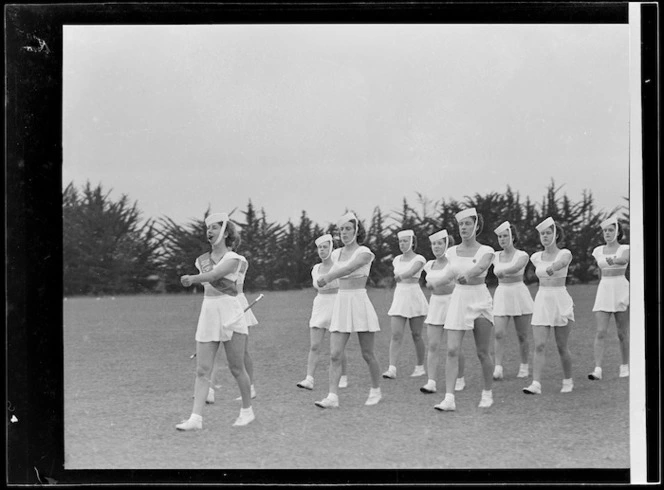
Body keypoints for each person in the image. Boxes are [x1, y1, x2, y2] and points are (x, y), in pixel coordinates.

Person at [176, 212, 254, 429]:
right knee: (202, 369)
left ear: (226, 232)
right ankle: (195, 419)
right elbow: (208, 276)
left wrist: (193, 279)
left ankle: (247, 410)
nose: (209, 232)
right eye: (208, 228)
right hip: (208, 312)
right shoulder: (201, 261)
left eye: (214, 228)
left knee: (237, 368)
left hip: (230, 312)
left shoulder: (235, 260)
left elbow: (214, 276)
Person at [314, 212, 383, 408]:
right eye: (341, 229)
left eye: (348, 229)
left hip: (359, 301)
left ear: (356, 231)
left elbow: (349, 269)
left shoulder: (365, 252)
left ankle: (376, 390)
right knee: (335, 353)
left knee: (367, 353)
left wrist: (327, 277)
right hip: (341, 303)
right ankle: (332, 396)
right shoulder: (335, 254)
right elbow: (324, 267)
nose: (344, 233)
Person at [434, 208, 495, 411]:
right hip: (459, 298)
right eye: (461, 224)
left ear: (476, 226)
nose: (464, 228)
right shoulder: (451, 252)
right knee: (452, 349)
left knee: (482, 352)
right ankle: (449, 398)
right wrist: (434, 282)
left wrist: (468, 274)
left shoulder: (486, 250)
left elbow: (480, 267)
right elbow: (448, 273)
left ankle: (487, 393)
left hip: (479, 298)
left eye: (468, 223)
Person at [523, 217, 574, 395]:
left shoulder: (564, 253)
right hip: (542, 300)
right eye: (542, 234)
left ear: (556, 234)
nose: (545, 236)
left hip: (560, 299)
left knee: (562, 346)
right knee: (539, 345)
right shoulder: (536, 257)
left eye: (548, 233)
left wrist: (554, 266)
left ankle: (568, 380)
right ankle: (536, 383)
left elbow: (564, 262)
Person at [297, 234, 348, 390]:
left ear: (331, 248)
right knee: (314, 345)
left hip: (337, 303)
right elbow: (317, 286)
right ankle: (309, 378)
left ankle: (343, 377)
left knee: (337, 348)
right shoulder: (315, 269)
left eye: (325, 247)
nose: (322, 250)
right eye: (319, 247)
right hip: (320, 304)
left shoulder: (339, 267)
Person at [420, 229, 467, 395]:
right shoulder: (428, 265)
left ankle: (460, 378)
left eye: (439, 243)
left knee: (454, 347)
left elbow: (459, 284)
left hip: (452, 303)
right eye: (433, 243)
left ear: (447, 244)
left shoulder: (454, 264)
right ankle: (431, 382)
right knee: (432, 345)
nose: (436, 246)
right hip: (435, 305)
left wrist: (440, 284)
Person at [382, 230, 428, 380]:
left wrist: (401, 276)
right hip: (400, 296)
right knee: (396, 334)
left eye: (406, 241)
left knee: (416, 334)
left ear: (412, 242)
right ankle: (392, 368)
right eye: (400, 241)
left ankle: (420, 366)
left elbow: (412, 271)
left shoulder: (420, 258)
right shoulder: (396, 259)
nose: (402, 244)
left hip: (414, 296)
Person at [588, 216, 630, 380]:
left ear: (617, 232)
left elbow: (624, 259)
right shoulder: (598, 250)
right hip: (605, 289)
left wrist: (614, 260)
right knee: (600, 331)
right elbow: (600, 272)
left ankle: (625, 366)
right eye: (605, 230)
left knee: (622, 333)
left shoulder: (625, 248)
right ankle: (597, 369)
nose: (607, 233)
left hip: (620, 289)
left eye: (610, 230)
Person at [491, 221, 534, 380]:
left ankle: (524, 366)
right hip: (502, 293)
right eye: (500, 237)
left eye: (505, 236)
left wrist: (504, 271)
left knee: (522, 335)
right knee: (499, 333)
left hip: (519, 293)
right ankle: (498, 368)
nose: (502, 239)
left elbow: (517, 267)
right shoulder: (494, 256)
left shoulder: (522, 255)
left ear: (513, 237)